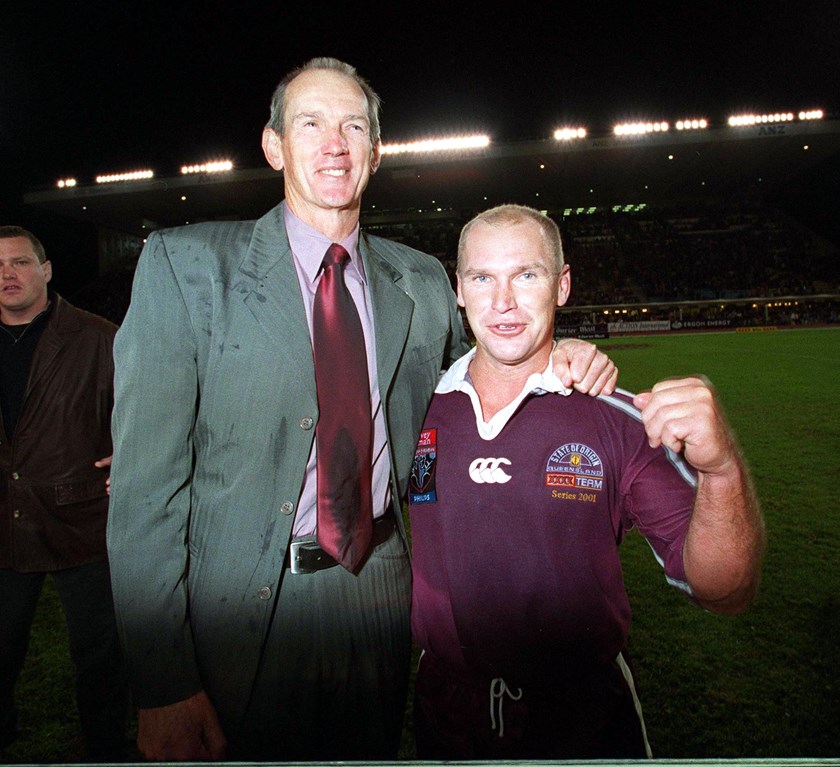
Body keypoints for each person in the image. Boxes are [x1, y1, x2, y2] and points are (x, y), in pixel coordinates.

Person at [106, 58, 616, 762]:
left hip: (379, 588)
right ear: (274, 145)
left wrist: (563, 353)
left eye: (353, 126)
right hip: (239, 605)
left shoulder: (423, 279)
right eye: (310, 123)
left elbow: (472, 391)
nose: (334, 143)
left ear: (375, 151)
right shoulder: (186, 267)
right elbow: (144, 498)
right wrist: (162, 681)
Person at [408, 204, 766, 759]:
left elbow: (724, 589)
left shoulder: (618, 418)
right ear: (459, 289)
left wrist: (721, 471)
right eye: (483, 278)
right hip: (445, 719)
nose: (503, 301)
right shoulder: (412, 410)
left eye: (527, 275)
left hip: (582, 722)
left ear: (563, 285)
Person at [0, 226, 129, 760]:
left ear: (46, 270)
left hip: (82, 517)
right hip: (4, 521)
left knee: (99, 651)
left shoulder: (98, 336)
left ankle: (105, 745)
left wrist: (130, 454)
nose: (8, 274)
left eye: (20, 262)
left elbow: (143, 409)